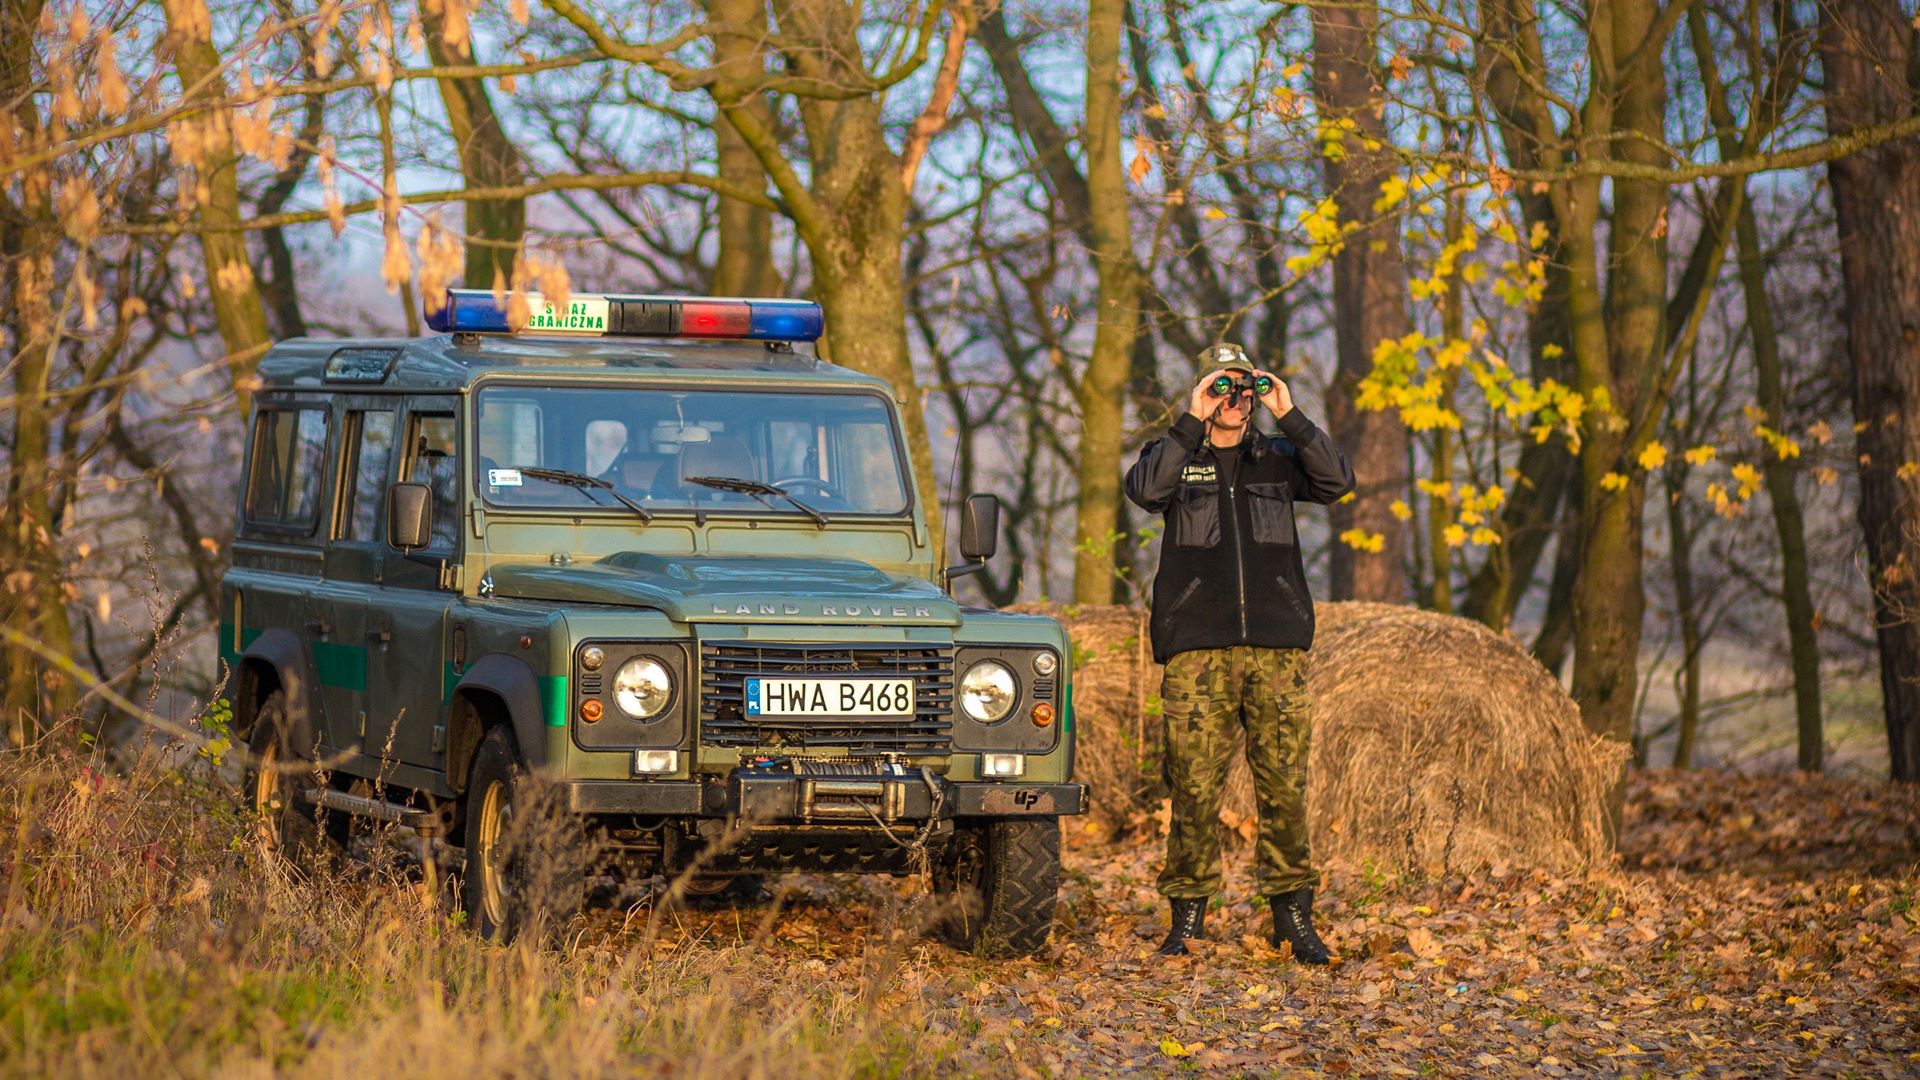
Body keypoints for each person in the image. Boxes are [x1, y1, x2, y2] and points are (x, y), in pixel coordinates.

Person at [1123, 343, 1356, 963]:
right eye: (1222, 387)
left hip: (1277, 651)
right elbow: (1144, 492)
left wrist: (1291, 413)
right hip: (1197, 653)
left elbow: (1338, 480)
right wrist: (1189, 420)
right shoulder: (1175, 456)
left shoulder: (1278, 457)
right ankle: (1189, 918)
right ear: (1203, 391)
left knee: (1284, 787)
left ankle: (1293, 919)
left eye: (1244, 388)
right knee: (1194, 788)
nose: (1236, 399)